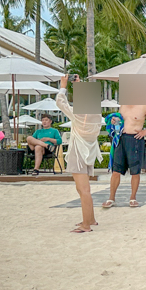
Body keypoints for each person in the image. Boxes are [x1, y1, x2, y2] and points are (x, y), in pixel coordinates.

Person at [56, 75, 103, 233]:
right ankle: (90, 219)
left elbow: (60, 102)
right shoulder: (96, 116)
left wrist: (63, 86)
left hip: (78, 151)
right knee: (83, 189)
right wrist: (79, 85)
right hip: (88, 151)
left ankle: (86, 225)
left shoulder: (78, 115)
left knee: (83, 190)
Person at [104, 97, 146, 209]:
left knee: (135, 170)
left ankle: (133, 197)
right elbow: (120, 122)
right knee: (116, 170)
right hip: (121, 138)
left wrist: (145, 131)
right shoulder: (123, 105)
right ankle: (111, 198)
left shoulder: (143, 106)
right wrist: (114, 122)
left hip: (135, 138)